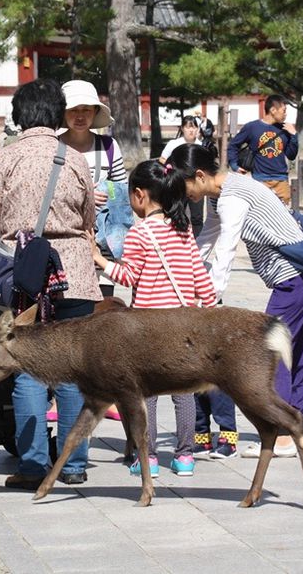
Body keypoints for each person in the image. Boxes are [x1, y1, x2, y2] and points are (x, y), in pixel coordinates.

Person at [0, 78, 100, 490]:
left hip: (24, 277)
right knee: (75, 371)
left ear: (19, 116)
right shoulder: (74, 159)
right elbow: (89, 218)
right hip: (73, 274)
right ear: (57, 114)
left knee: (26, 372)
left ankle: (34, 465)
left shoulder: (6, 158)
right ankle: (74, 464)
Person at [170, 143, 303, 459]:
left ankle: (280, 436)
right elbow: (207, 239)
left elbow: (226, 248)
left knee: (270, 350)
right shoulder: (222, 195)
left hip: (291, 277)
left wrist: (211, 298)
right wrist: (184, 267)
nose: (185, 195)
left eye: (184, 187)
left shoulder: (232, 197)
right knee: (300, 349)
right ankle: (292, 429)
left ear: (199, 176)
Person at [90, 160, 216, 478]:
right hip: (184, 323)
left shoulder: (139, 234)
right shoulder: (183, 229)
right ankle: (185, 457)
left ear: (140, 195)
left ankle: (149, 458)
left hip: (148, 328)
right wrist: (211, 306)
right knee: (183, 392)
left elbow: (129, 277)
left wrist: (100, 261)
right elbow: (200, 275)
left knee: (148, 394)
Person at [59, 79, 127, 421]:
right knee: (70, 316)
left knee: (102, 315)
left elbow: (123, 192)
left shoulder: (110, 147)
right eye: (74, 110)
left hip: (103, 242)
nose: (80, 116)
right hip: (68, 240)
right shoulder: (55, 147)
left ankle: (103, 392)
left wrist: (107, 194)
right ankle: (65, 391)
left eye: (86, 110)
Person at [227, 94, 299, 205]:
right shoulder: (252, 127)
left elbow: (291, 155)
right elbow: (233, 145)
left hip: (281, 180)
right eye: (284, 110)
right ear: (273, 110)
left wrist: (294, 135)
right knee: (260, 216)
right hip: (260, 180)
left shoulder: (285, 129)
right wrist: (234, 165)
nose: (286, 114)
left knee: (284, 217)